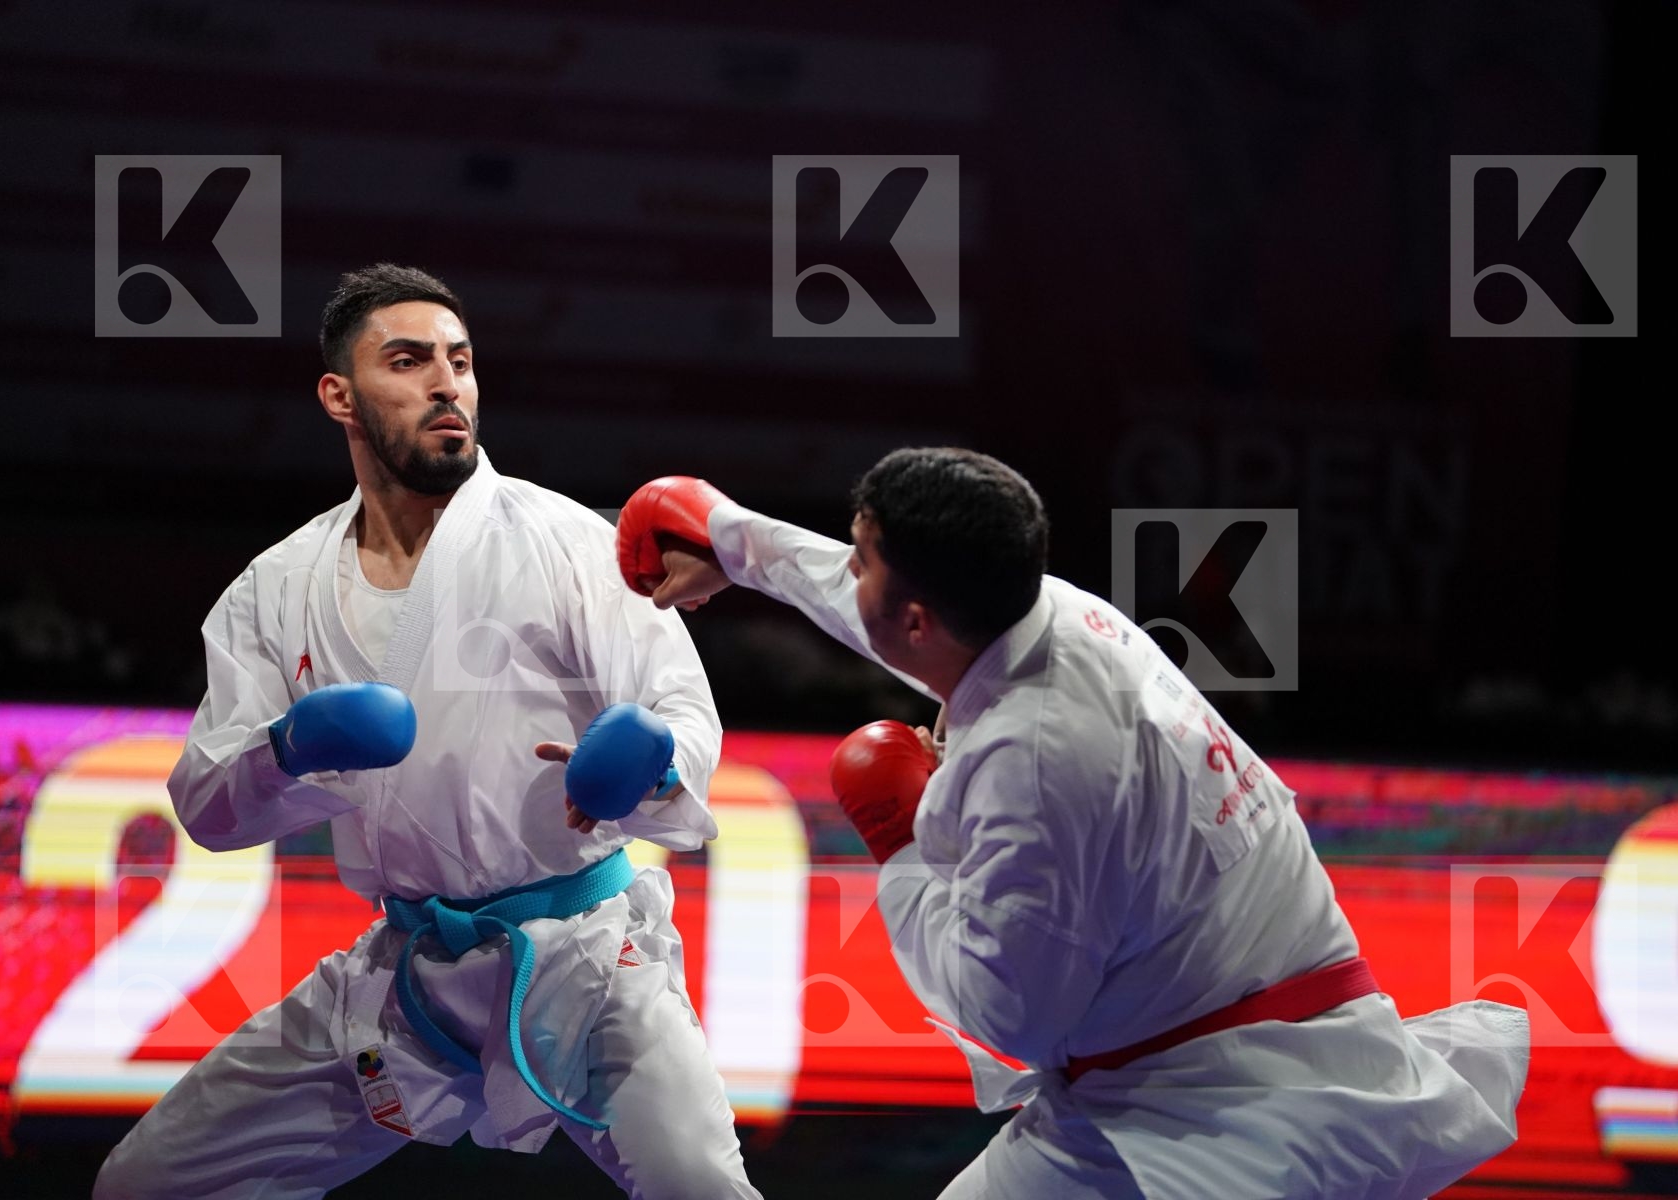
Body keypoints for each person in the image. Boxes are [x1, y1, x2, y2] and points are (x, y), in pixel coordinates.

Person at [615, 448, 1530, 1199]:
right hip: (1244, 1051)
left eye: (862, 559)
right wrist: (730, 539)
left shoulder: (1039, 764)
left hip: (1223, 1118)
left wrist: (900, 847)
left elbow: (1014, 1015)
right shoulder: (1050, 611)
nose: (847, 569)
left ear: (924, 616)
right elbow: (878, 607)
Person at [95, 264, 761, 1199]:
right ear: (340, 395)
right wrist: (287, 750)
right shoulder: (277, 587)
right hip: (406, 974)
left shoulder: (563, 539)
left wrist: (645, 765)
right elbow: (206, 806)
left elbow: (681, 709)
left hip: (591, 962)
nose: (448, 384)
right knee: (148, 1185)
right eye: (408, 362)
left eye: (460, 361)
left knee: (701, 1190)